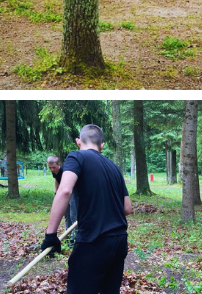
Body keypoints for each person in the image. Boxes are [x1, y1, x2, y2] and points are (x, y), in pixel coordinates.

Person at [41, 124, 132, 294]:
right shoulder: (115, 168)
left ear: (78, 142)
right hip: (119, 241)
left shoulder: (76, 157)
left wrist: (51, 235)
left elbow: (65, 190)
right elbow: (127, 208)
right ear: (102, 145)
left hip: (93, 240)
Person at [47, 155, 77, 243]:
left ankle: (74, 238)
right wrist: (56, 192)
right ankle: (67, 234)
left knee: (73, 215)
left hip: (73, 191)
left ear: (59, 164)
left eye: (54, 167)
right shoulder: (55, 171)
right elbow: (56, 179)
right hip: (64, 191)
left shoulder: (65, 171)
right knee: (67, 215)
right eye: (50, 168)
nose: (52, 169)